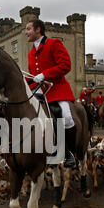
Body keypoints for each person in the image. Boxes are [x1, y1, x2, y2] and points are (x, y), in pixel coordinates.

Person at [25, 19, 77, 168]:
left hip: (56, 88)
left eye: (28, 29)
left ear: (38, 30)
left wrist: (45, 74)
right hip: (38, 89)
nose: (26, 32)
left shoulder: (54, 43)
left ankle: (69, 153)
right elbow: (33, 76)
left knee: (66, 117)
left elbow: (66, 65)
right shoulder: (30, 53)